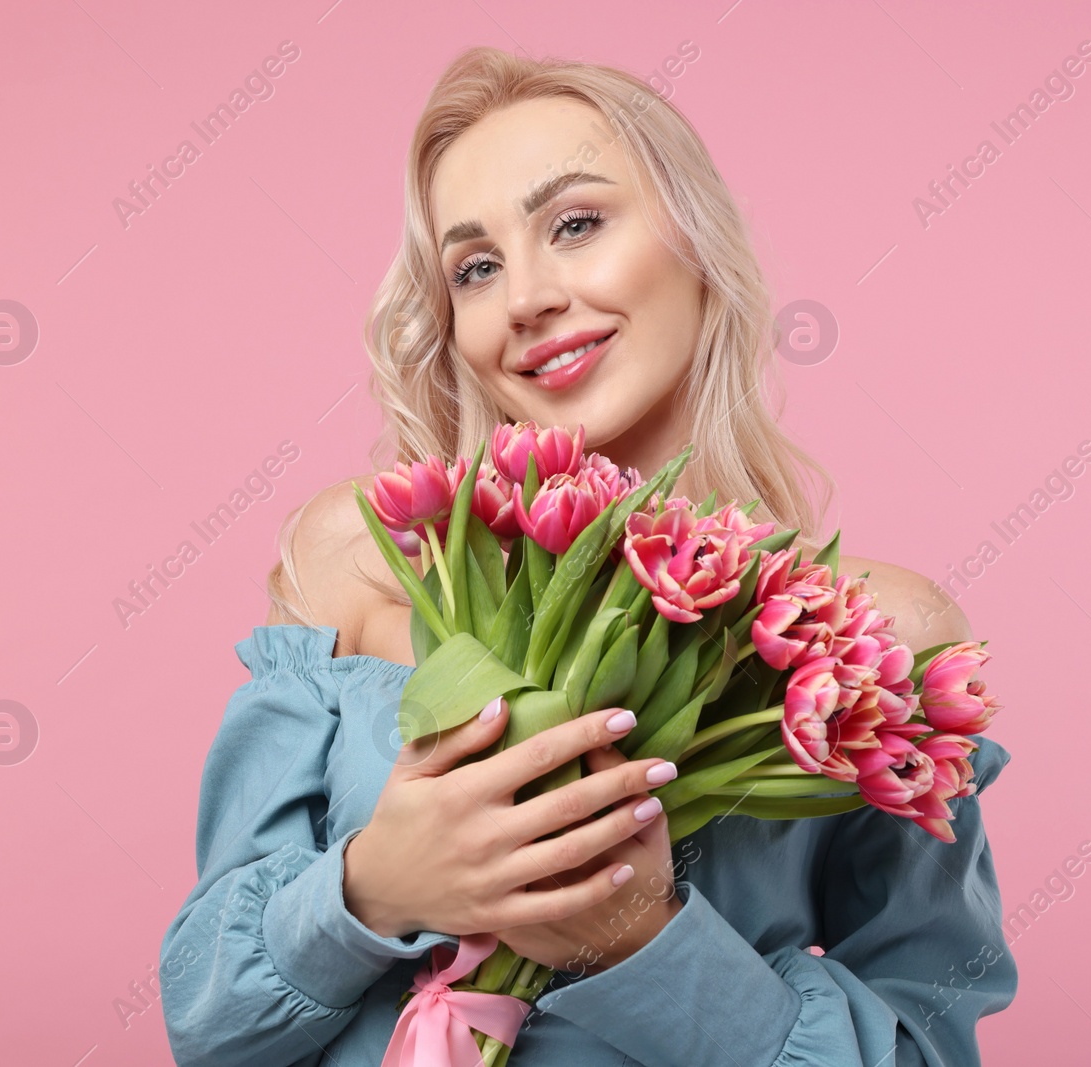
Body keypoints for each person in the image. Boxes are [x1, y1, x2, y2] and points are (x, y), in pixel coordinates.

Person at [160, 46, 1016, 1067]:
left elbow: (926, 1045)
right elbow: (204, 1020)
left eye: (575, 224)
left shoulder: (866, 640)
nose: (525, 298)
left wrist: (645, 944)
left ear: (696, 243)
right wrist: (374, 885)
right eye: (476, 267)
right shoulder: (364, 556)